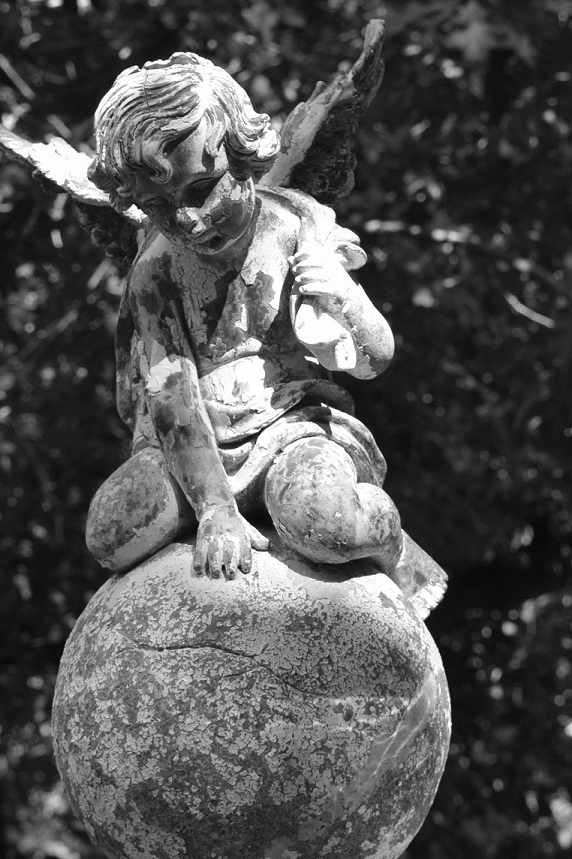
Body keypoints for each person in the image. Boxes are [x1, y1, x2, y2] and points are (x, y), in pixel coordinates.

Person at [84, 52, 442, 609]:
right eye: (157, 206)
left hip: (291, 430)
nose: (187, 220)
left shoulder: (292, 229)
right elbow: (172, 396)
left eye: (202, 188)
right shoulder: (156, 271)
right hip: (192, 447)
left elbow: (374, 360)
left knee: (329, 523)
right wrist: (215, 510)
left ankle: (394, 547)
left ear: (245, 158)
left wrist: (346, 299)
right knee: (110, 533)